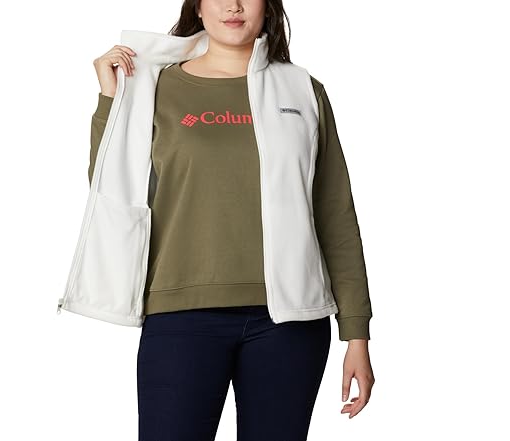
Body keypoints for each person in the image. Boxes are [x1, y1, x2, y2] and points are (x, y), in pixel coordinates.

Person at [89, 1, 374, 439]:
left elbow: (335, 214)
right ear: (198, 7)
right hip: (181, 313)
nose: (234, 5)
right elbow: (112, 190)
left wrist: (356, 333)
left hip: (291, 321)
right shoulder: (157, 86)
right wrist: (112, 99)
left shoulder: (302, 91)